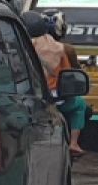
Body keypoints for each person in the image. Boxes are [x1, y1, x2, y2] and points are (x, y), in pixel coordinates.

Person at [32, 10, 87, 157]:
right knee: (80, 105)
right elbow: (76, 72)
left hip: (35, 96)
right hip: (59, 98)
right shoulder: (66, 49)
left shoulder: (29, 46)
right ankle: (74, 143)